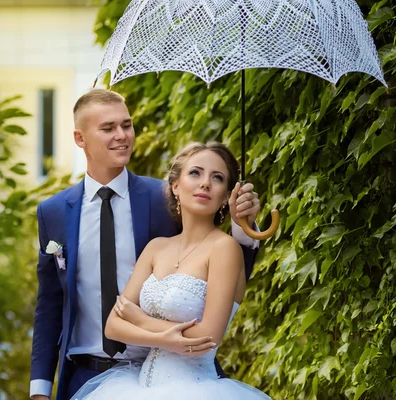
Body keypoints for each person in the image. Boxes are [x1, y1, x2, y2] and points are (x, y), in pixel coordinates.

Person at [30, 89, 262, 400]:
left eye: (127, 125)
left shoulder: (163, 197)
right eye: (108, 128)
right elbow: (50, 303)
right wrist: (40, 389)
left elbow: (220, 277)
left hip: (161, 371)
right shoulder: (54, 211)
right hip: (85, 377)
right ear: (80, 138)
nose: (122, 135)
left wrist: (241, 226)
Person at [70, 141, 270, 399]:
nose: (205, 183)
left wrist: (141, 321)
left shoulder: (225, 248)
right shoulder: (156, 248)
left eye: (217, 178)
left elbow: (207, 337)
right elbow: (112, 326)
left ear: (225, 197)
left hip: (196, 389)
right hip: (137, 389)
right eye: (195, 173)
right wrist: (166, 339)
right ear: (176, 186)